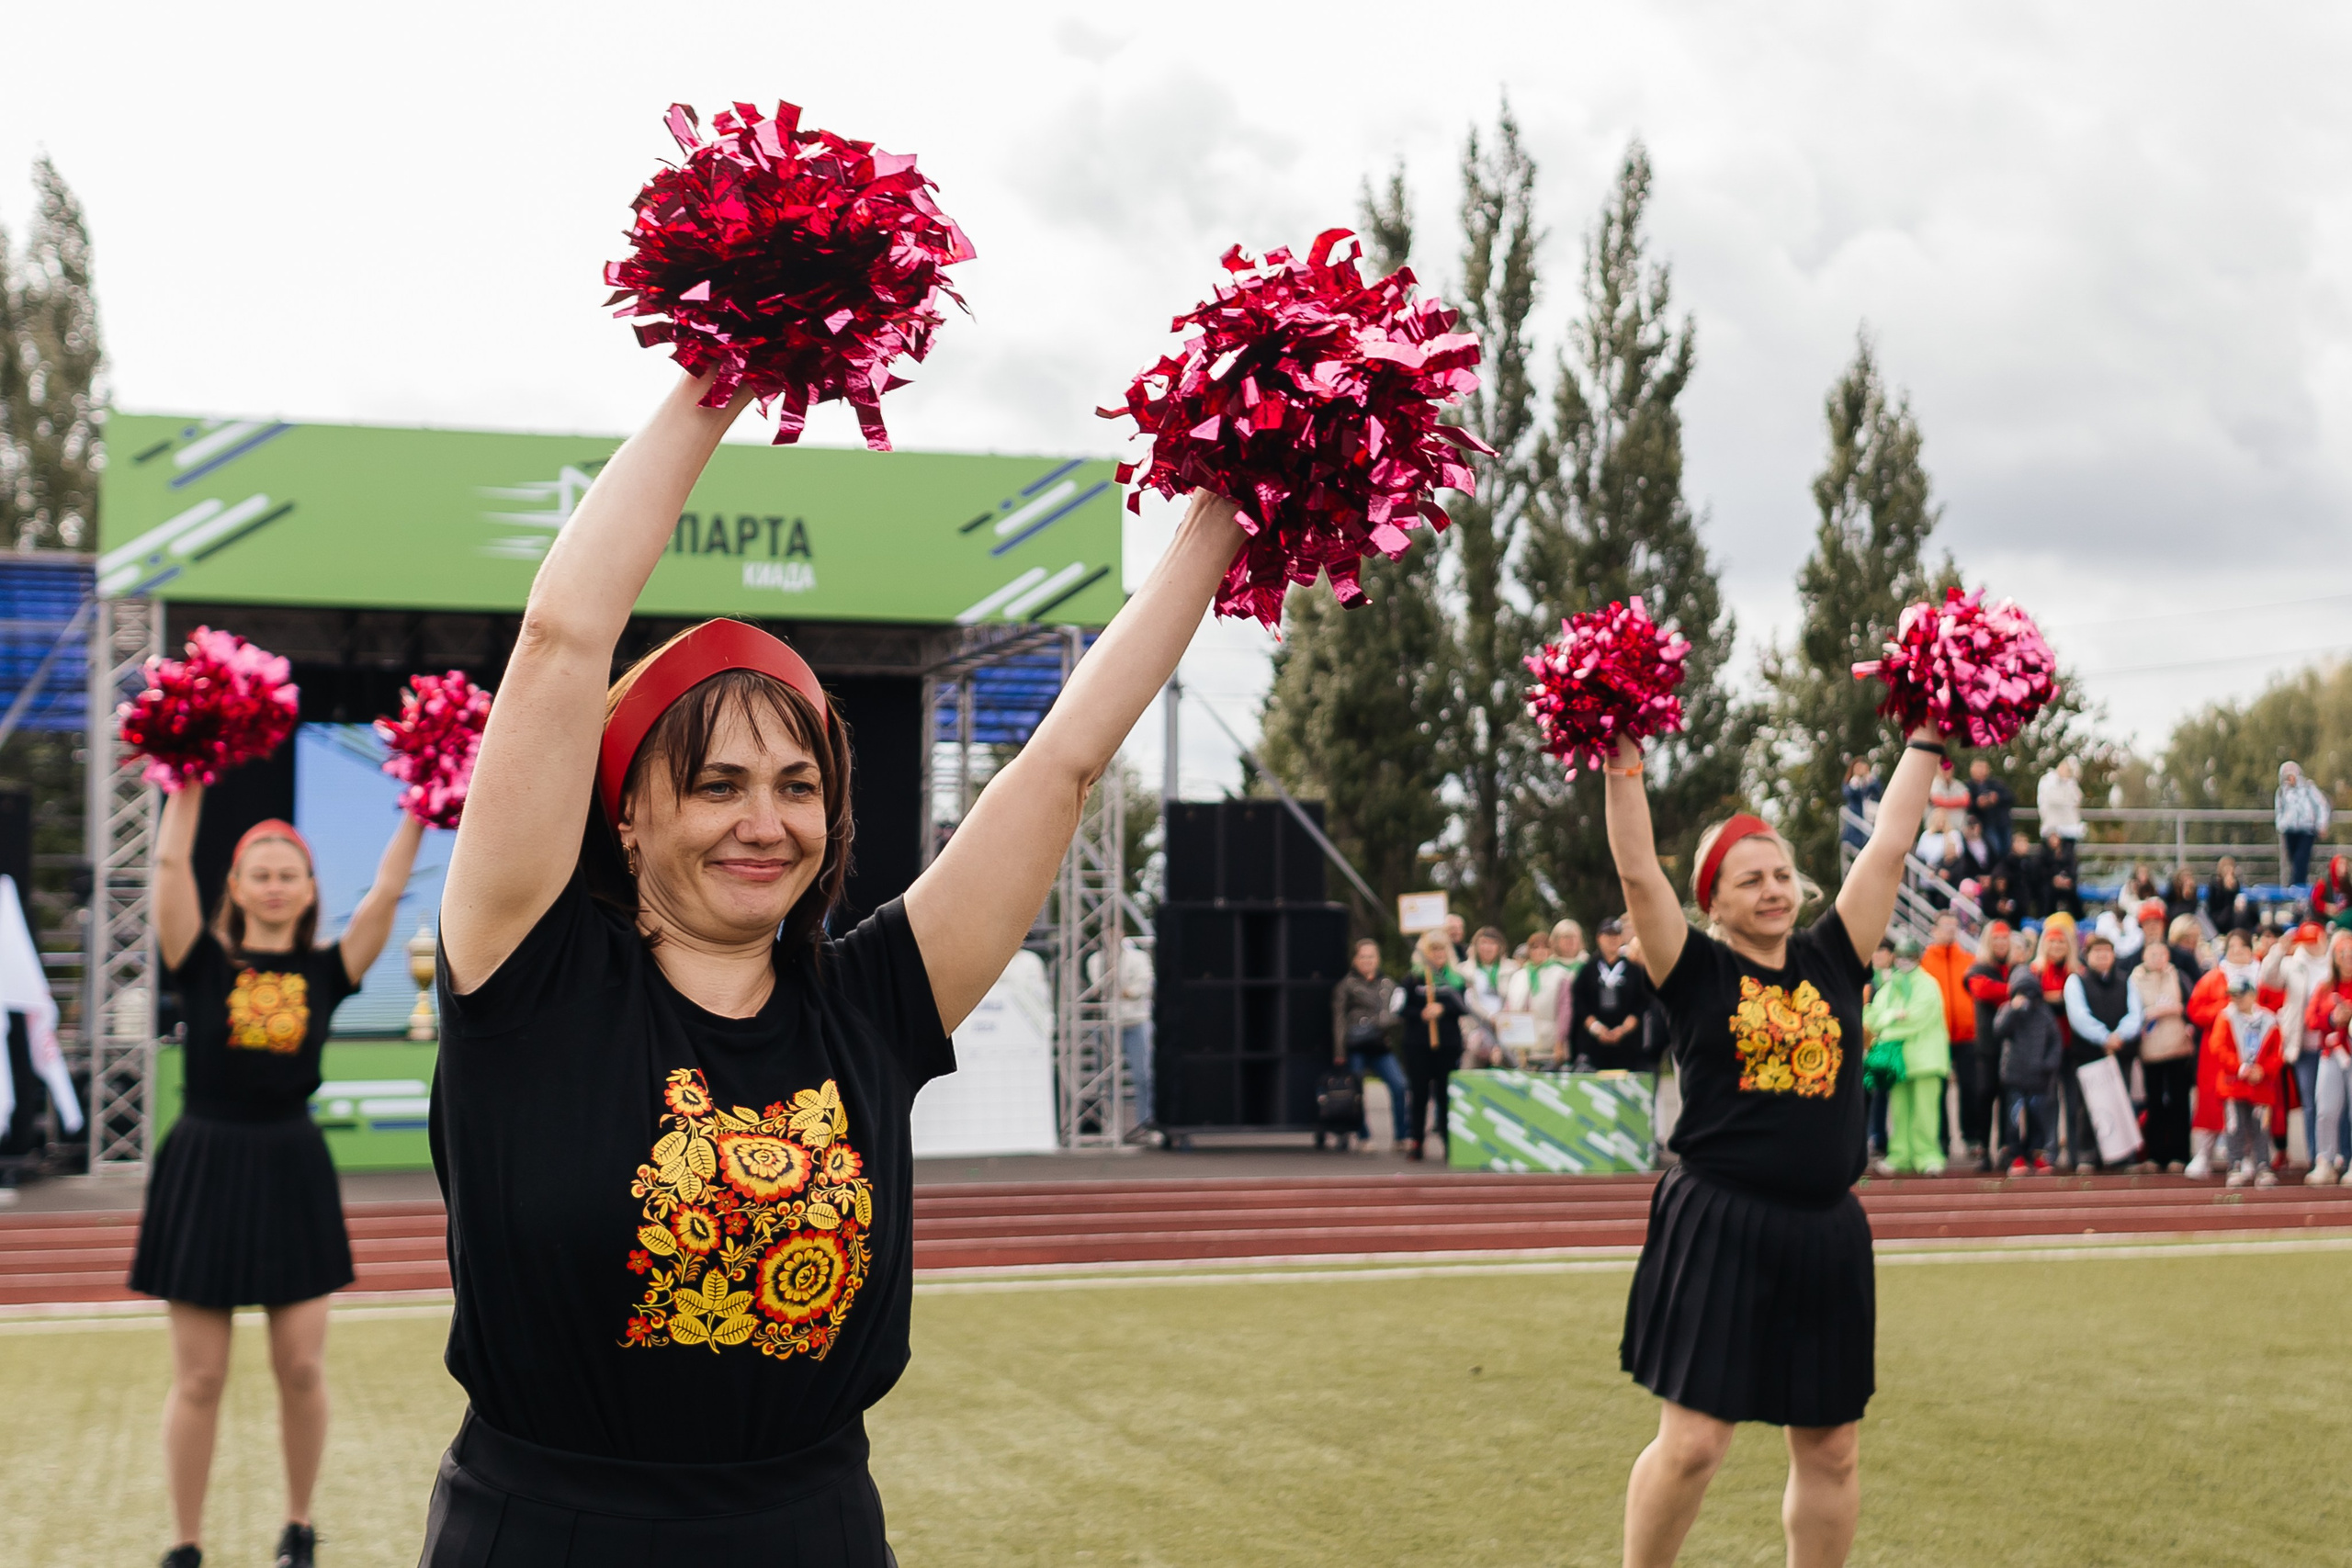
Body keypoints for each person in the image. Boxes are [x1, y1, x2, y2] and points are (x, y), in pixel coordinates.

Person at [417, 371, 1247, 1564]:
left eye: (797, 786)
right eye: (717, 784)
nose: (766, 821)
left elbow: (1066, 758)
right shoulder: (527, 981)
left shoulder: (871, 1003)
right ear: (630, 820)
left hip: (813, 1528)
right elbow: (561, 637)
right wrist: (723, 364)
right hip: (549, 1530)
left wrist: (1227, 509)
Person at [1606, 710, 1939, 1568]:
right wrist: (1622, 759)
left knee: (1831, 1448)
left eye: (1783, 873)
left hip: (1826, 1229)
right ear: (1713, 899)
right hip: (1720, 1221)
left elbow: (1890, 844)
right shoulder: (1693, 968)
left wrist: (1929, 736)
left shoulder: (1836, 956)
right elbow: (1639, 870)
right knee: (1693, 1445)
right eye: (1750, 878)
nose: (1774, 889)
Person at [135, 795, 424, 1568]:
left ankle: (298, 1528)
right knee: (199, 1376)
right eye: (258, 873)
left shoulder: (330, 968)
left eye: (286, 873)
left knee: (300, 1367)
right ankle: (186, 1543)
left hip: (291, 1163)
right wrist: (186, 787)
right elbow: (166, 865)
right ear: (234, 884)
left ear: (307, 887)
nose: (271, 884)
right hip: (206, 1159)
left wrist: (421, 806)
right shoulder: (197, 957)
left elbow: (389, 893)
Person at [1865, 934, 1950, 1175]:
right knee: (1900, 1111)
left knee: (1926, 1111)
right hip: (1898, 1060)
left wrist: (1888, 1020)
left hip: (1926, 1059)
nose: (1904, 961)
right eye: (1901, 957)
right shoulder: (1891, 985)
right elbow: (1872, 1017)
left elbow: (1917, 1018)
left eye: (1909, 957)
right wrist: (1893, 1016)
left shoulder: (1928, 984)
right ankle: (1900, 1155)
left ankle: (1928, 1156)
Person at [2062, 931, 2142, 1172]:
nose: (2103, 956)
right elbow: (2079, 1016)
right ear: (2088, 955)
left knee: (2120, 1102)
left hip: (2121, 1053)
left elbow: (2135, 1014)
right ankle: (2086, 1154)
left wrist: (2119, 1036)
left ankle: (2121, 1154)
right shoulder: (2076, 982)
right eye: (2098, 952)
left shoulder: (2126, 980)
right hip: (2087, 1053)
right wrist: (2104, 1037)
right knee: (2086, 1106)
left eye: (2107, 952)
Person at [2185, 929, 2259, 1178]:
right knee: (2211, 1103)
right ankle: (2204, 1154)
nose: (2238, 952)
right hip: (2216, 1054)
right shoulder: (2214, 978)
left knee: (2249, 1103)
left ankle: (2248, 1155)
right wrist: (2225, 1007)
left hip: (2249, 1052)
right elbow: (2196, 1010)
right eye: (2233, 947)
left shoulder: (2259, 976)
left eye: (2243, 947)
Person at [1333, 938, 1409, 1148]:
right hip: (1356, 1044)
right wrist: (1339, 1051)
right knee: (1356, 1091)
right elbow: (1338, 1019)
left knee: (1400, 1085)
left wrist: (1386, 1021)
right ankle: (1363, 1134)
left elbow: (1399, 1012)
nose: (1367, 960)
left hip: (1379, 1044)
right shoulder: (1347, 985)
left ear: (1378, 959)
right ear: (1355, 959)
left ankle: (1402, 1135)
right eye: (1363, 956)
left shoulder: (1388, 985)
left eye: (1371, 956)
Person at [2263, 922, 2328, 1169]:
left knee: (2334, 1105)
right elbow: (2269, 978)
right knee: (2311, 1103)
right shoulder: (2293, 964)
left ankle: (2339, 1154)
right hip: (2303, 1044)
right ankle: (2316, 1156)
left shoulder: (2334, 962)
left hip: (2332, 1043)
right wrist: (2279, 950)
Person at [1398, 930, 1467, 1160]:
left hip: (1447, 1045)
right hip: (1418, 1045)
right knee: (1418, 1095)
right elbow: (1401, 1009)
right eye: (1433, 949)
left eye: (1441, 949)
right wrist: (1422, 1013)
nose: (1438, 954)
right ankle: (1416, 1141)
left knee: (1445, 1096)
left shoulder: (1456, 980)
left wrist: (1443, 1009)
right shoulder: (1413, 979)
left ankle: (1450, 1143)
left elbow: (1464, 1008)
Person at [2210, 974, 2283, 1187]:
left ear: (2252, 995)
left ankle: (2263, 1166)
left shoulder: (2269, 1020)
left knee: (2261, 1127)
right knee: (2235, 1126)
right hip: (2233, 1085)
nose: (2236, 1001)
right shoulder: (2226, 1017)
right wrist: (2240, 1068)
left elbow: (2277, 1052)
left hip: (2262, 1085)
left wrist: (2263, 1070)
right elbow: (2218, 1047)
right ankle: (2235, 1165)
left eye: (2240, 996)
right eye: (2233, 996)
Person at [2131, 937, 2195, 1171]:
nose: (2158, 959)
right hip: (2150, 1051)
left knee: (2179, 1101)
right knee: (2154, 1103)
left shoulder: (2178, 976)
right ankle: (2155, 1154)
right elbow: (2131, 1012)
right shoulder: (2135, 979)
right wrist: (2151, 1012)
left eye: (2161, 954)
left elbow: (2192, 1004)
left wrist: (2178, 1011)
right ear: (2144, 957)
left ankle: (2180, 1153)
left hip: (2178, 1047)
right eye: (2152, 954)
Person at [1919, 911, 1978, 1163]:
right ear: (1933, 930)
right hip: (1937, 1035)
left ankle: (1972, 1138)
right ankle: (1940, 1139)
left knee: (1970, 1087)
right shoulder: (1925, 963)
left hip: (1966, 1035)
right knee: (1938, 1090)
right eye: (1945, 926)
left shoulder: (1969, 960)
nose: (1950, 931)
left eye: (1954, 926)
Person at [1991, 964, 2062, 1175]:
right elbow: (1999, 1031)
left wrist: (2049, 1063)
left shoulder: (2044, 1012)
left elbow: (2055, 1039)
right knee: (2013, 1119)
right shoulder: (2007, 1009)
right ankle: (2015, 1155)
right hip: (2014, 1076)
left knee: (2038, 1117)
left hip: (2039, 1077)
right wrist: (2013, 1009)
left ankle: (2036, 1153)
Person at [1962, 923, 2018, 1168]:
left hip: (2013, 1043)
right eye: (1996, 939)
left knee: (2009, 1097)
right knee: (1985, 1094)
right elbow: (1982, 990)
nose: (2001, 944)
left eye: (2005, 939)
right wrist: (2012, 992)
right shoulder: (1979, 968)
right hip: (1987, 1044)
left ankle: (2007, 1147)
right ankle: (1983, 1148)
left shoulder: (2015, 968)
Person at [2299, 931, 2352, 1185]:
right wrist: (2333, 1018)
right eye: (2344, 955)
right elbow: (2311, 1019)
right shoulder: (2326, 987)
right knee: (2326, 1109)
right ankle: (2325, 1160)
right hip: (2332, 1054)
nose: (2348, 960)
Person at [1568, 917, 1652, 1072]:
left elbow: (1642, 1003)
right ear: (1599, 938)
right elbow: (1579, 1002)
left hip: (1628, 1046)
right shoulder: (1588, 970)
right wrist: (1597, 1028)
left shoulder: (1634, 971)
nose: (1612, 939)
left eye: (1616, 935)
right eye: (1608, 935)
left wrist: (1623, 1030)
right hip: (1595, 1046)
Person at [1502, 928, 1571, 1066]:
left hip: (1549, 1045)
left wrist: (1560, 1042)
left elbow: (1565, 1011)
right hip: (1522, 1047)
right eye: (1535, 947)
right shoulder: (1519, 976)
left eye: (1544, 947)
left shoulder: (1560, 975)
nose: (1540, 951)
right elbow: (1509, 1007)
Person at [1461, 925, 1516, 1066]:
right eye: (1483, 943)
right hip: (1476, 1029)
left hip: (1507, 1028)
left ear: (1500, 947)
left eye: (1492, 943)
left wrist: (1501, 1017)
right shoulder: (1464, 970)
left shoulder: (1512, 969)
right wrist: (1489, 1017)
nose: (1487, 948)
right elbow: (1469, 1000)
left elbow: (1515, 997)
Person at [2276, 761, 2331, 887]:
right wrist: (2281, 825)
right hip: (2290, 830)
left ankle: (2297, 886)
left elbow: (2322, 804)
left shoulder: (2308, 788)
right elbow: (2279, 810)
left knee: (2301, 859)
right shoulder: (2282, 792)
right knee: (2293, 860)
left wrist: (2322, 824)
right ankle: (2296, 885)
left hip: (2307, 830)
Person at [2027, 831, 2081, 921]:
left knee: (2073, 893)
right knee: (2046, 894)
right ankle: (2044, 918)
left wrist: (2067, 880)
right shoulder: (2042, 855)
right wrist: (2053, 879)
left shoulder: (2068, 854)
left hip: (2065, 884)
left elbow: (2073, 870)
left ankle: (2078, 919)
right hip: (2048, 884)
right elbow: (2039, 872)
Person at [1965, 756, 2015, 851]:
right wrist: (1978, 803)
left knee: (2007, 850)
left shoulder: (1996, 784)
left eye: (1983, 767)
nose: (1981, 770)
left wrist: (1997, 798)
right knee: (1993, 850)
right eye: (1978, 767)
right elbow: (1967, 804)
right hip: (1984, 825)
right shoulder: (1968, 786)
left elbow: (2011, 797)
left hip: (2002, 823)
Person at [2038, 756, 2086, 841]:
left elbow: (2077, 799)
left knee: (2068, 853)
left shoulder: (2070, 783)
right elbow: (2051, 799)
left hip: (2069, 827)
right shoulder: (2048, 780)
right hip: (2052, 826)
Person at [2206, 856, 2256, 936]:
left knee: (2250, 911)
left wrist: (2232, 889)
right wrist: (2227, 890)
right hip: (2218, 914)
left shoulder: (2235, 884)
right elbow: (2214, 905)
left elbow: (2234, 900)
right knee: (2230, 915)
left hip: (2231, 912)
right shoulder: (2214, 885)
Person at [1840, 758, 1881, 852]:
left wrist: (1868, 778)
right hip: (1858, 824)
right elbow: (1848, 793)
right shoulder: (1851, 783)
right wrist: (1856, 781)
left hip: (1872, 820)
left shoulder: (1872, 781)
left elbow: (1878, 790)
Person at [2311, 855, 2352, 930]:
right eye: (2340, 864)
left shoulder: (2347, 883)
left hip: (2342, 917)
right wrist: (2327, 908)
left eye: (2344, 864)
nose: (2343, 868)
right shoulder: (2323, 883)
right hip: (2324, 919)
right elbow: (2315, 902)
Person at [2163, 866, 2203, 931]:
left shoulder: (2194, 897)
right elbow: (2173, 914)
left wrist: (2188, 897)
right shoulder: (2171, 893)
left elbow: (2193, 912)